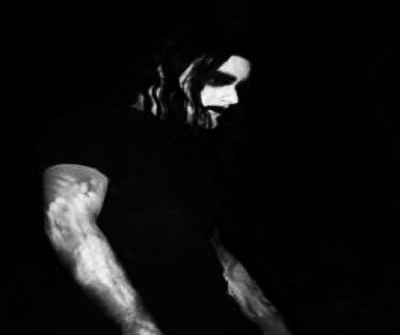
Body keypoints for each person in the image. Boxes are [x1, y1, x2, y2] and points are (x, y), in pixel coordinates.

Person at [38, 29, 291, 335]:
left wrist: (270, 320)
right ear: (163, 72)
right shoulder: (95, 127)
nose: (233, 98)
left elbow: (213, 252)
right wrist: (140, 328)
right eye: (218, 80)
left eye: (239, 86)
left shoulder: (192, 153)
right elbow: (69, 225)